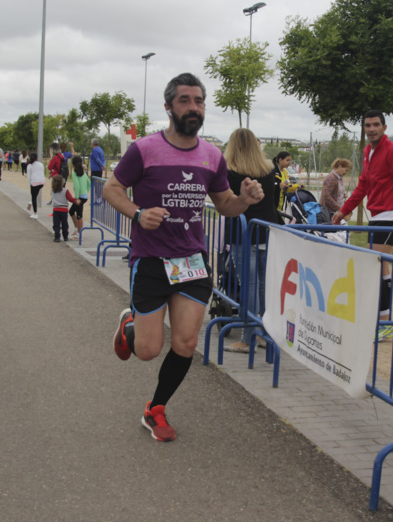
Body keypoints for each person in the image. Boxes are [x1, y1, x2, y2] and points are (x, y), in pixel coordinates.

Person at [105, 73, 264, 442]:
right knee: (146, 351)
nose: (193, 107)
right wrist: (137, 213)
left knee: (186, 344)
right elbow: (113, 188)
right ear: (169, 107)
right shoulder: (143, 150)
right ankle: (130, 325)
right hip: (150, 259)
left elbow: (225, 205)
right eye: (185, 101)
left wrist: (245, 200)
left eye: (199, 101)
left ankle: (156, 408)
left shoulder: (211, 155)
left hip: (192, 262)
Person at [330, 110, 393, 342]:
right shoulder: (368, 152)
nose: (371, 129)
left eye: (376, 125)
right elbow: (363, 186)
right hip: (377, 215)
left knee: (376, 266)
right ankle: (381, 321)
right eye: (367, 125)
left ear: (384, 127)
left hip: (391, 216)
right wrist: (344, 210)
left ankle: (383, 324)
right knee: (380, 267)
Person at [221, 128, 279, 354]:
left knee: (249, 287)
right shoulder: (269, 169)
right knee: (264, 287)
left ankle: (248, 337)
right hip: (267, 231)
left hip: (243, 234)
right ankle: (263, 332)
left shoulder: (229, 172)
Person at [48, 174, 77, 242]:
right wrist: (76, 200)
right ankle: (65, 236)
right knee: (64, 224)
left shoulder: (53, 191)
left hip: (56, 209)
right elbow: (70, 199)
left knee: (56, 224)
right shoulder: (65, 190)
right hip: (64, 210)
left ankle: (57, 237)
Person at [69, 155, 90, 239]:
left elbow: (77, 186)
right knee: (73, 212)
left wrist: (76, 198)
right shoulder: (83, 172)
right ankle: (77, 229)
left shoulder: (74, 173)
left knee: (78, 214)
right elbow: (89, 183)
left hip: (79, 197)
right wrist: (86, 191)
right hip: (84, 196)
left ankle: (78, 233)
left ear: (73, 164)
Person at [27, 152, 45, 219]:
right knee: (35, 195)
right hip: (41, 182)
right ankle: (31, 203)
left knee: (34, 197)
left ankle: (35, 213)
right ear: (36, 158)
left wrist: (29, 185)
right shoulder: (40, 164)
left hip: (34, 182)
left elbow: (29, 176)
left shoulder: (29, 166)